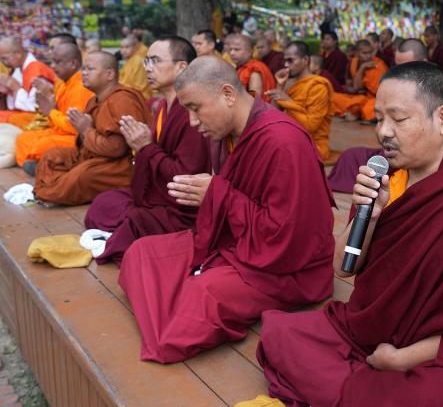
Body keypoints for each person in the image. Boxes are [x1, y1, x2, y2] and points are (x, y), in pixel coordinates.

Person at [245, 62, 443, 407]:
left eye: (399, 119)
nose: (384, 132)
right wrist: (371, 215)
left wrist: (401, 359)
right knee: (280, 333)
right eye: (379, 119)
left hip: (438, 352)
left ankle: (362, 388)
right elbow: (343, 268)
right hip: (369, 328)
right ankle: (364, 388)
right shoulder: (387, 178)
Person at [118, 55, 335, 363]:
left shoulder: (282, 141)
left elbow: (288, 237)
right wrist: (215, 195)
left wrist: (217, 194)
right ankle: (177, 309)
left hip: (287, 268)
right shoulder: (224, 133)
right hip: (236, 242)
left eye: (195, 108)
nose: (192, 122)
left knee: (204, 293)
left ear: (228, 94)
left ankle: (177, 309)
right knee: (141, 254)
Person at [84, 37, 210, 265]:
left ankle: (126, 234)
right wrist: (142, 147)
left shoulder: (191, 112)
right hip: (158, 195)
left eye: (155, 61)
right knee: (103, 203)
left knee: (134, 222)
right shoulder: (163, 106)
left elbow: (185, 178)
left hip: (182, 209)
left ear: (182, 66)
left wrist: (145, 147)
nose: (148, 68)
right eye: (147, 61)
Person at [33, 52, 151, 205]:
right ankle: (54, 189)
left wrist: (85, 129)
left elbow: (116, 149)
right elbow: (85, 144)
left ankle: (50, 191)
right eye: (83, 69)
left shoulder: (122, 99)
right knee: (51, 156)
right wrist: (81, 129)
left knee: (82, 175)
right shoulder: (93, 101)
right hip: (94, 157)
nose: (84, 73)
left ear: (109, 74)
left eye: (90, 69)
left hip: (120, 167)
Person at [327, 39, 427, 193]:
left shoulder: (432, 92)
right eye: (398, 66)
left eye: (407, 66)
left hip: (416, 156)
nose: (401, 73)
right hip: (392, 148)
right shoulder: (396, 83)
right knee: (350, 156)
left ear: (424, 63)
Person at [15, 43, 94, 173]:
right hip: (58, 131)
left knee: (41, 146)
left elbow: (74, 127)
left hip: (75, 137)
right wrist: (49, 102)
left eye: (57, 62)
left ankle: (40, 165)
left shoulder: (81, 87)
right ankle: (37, 164)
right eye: (52, 62)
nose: (52, 66)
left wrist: (50, 111)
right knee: (23, 139)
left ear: (73, 64)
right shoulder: (62, 83)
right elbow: (54, 118)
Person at [266, 41, 333, 160]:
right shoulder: (291, 84)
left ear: (305, 60)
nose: (286, 65)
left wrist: (287, 101)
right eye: (285, 61)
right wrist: (280, 86)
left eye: (291, 60)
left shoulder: (318, 87)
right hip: (292, 137)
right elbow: (272, 115)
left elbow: (311, 126)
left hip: (313, 145)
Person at [0, 36, 57, 125]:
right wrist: (8, 91)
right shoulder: (18, 68)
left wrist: (14, 87)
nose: (3, 62)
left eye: (4, 58)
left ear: (18, 54)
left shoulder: (35, 69)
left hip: (41, 118)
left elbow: (34, 106)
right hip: (23, 114)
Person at [332, 40, 388, 122]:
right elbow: (355, 87)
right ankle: (353, 112)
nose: (368, 56)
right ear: (357, 53)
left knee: (365, 108)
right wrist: (362, 68)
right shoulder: (353, 62)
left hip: (374, 98)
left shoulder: (378, 65)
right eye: (364, 53)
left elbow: (378, 92)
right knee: (333, 97)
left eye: (370, 52)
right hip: (358, 97)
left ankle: (351, 112)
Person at [226, 34, 276, 99]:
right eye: (230, 49)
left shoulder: (254, 70)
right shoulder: (240, 67)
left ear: (250, 51)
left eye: (237, 49)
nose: (232, 53)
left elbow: (254, 98)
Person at [119, 34, 152, 99]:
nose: (124, 50)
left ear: (134, 48)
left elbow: (139, 86)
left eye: (127, 47)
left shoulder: (138, 61)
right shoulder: (129, 61)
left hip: (140, 96)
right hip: (129, 92)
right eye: (122, 47)